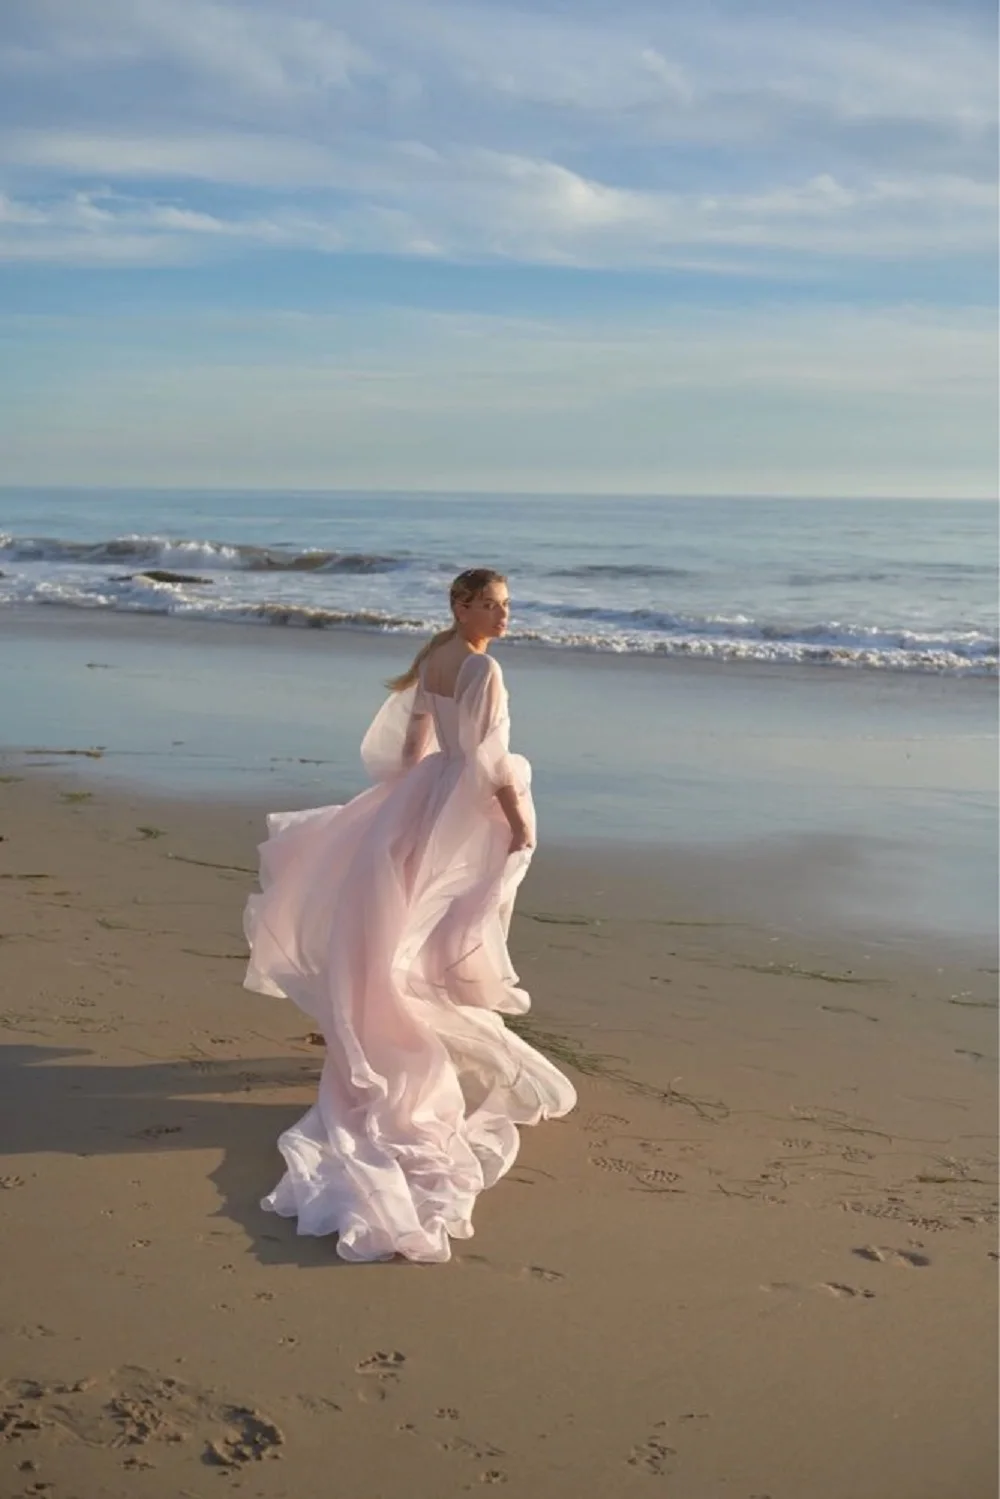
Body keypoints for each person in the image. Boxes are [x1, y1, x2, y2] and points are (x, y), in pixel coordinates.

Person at [243, 568, 577, 1263]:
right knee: (444, 918)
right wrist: (516, 818)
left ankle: (390, 1017)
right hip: (465, 800)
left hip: (425, 793)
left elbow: (409, 746)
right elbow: (487, 757)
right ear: (462, 606)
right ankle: (418, 1022)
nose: (505, 616)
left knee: (401, 919)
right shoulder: (483, 668)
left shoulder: (431, 659)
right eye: (492, 604)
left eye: (508, 605)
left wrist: (406, 803)